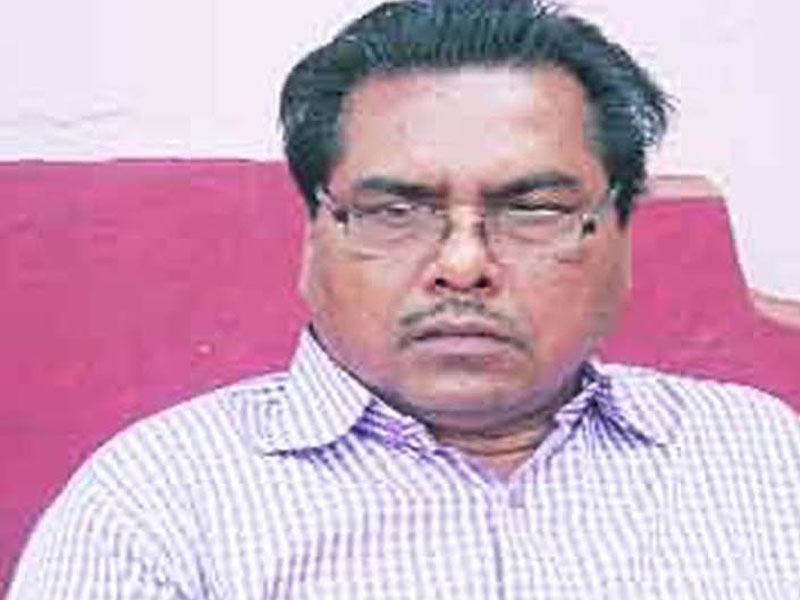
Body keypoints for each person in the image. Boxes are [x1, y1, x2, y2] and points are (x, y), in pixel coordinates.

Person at [9, 0, 800, 597]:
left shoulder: (762, 458)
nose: (463, 264)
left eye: (534, 210)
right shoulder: (160, 503)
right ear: (313, 238)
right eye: (394, 211)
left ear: (622, 234)